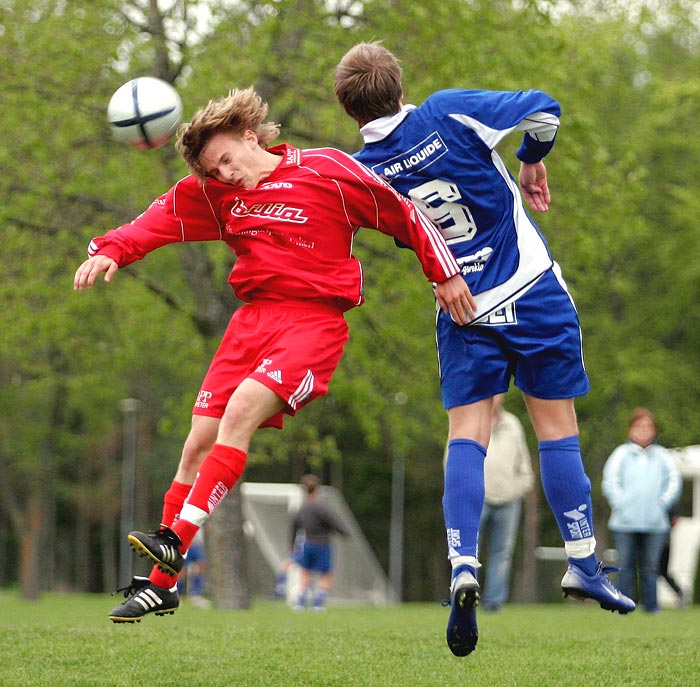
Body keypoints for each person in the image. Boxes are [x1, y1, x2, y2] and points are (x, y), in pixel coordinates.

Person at [74, 86, 475, 623]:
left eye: (226, 159)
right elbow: (154, 223)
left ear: (248, 136)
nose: (226, 173)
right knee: (196, 443)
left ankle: (173, 538)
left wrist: (443, 273)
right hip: (251, 323)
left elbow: (403, 214)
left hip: (312, 323)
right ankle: (161, 587)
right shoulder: (216, 195)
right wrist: (111, 250)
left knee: (239, 414)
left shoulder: (327, 171)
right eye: (213, 169)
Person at [334, 42, 636, 656]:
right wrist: (531, 159)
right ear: (400, 82)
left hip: (463, 308)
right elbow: (545, 111)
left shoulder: (361, 171)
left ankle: (463, 564)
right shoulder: (446, 112)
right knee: (556, 432)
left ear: (348, 107)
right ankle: (582, 560)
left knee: (468, 436)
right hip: (533, 290)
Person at [602, 408, 682, 613]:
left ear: (654, 430)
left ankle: (652, 607)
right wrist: (622, 504)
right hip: (624, 522)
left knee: (650, 567)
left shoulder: (663, 456)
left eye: (648, 426)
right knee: (625, 566)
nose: (644, 430)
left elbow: (673, 482)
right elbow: (610, 482)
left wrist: (661, 504)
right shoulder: (621, 454)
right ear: (631, 429)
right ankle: (623, 605)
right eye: (639, 426)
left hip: (655, 523)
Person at [478, 394, 534, 612]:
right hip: (476, 499)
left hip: (509, 501)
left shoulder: (512, 424)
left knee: (502, 554)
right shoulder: (468, 420)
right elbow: (452, 459)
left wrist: (517, 488)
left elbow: (524, 464)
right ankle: (465, 597)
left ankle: (494, 602)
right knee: (467, 552)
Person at [287, 474, 348, 611]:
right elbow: (334, 524)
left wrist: (291, 546)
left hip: (306, 544)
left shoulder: (300, 509)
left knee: (305, 573)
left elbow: (294, 528)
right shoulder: (321, 508)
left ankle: (300, 603)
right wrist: (344, 532)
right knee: (325, 574)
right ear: (317, 489)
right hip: (322, 544)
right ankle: (318, 604)